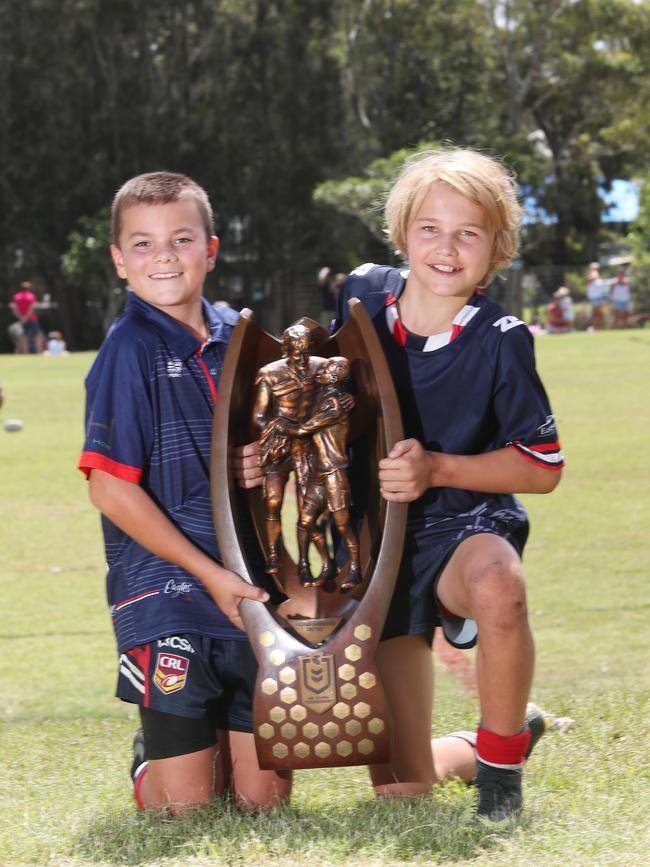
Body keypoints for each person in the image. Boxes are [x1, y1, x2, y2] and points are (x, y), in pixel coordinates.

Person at [331, 147, 564, 821]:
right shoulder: (362, 297)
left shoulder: (501, 339)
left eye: (469, 232)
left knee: (500, 582)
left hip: (463, 523)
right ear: (403, 232)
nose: (446, 246)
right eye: (430, 227)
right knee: (404, 792)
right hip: (377, 546)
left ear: (498, 247)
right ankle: (500, 735)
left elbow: (542, 465)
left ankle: (499, 776)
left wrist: (437, 467)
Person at [77, 171, 291, 814]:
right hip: (165, 590)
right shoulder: (129, 348)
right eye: (141, 244)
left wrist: (266, 465)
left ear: (211, 249)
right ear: (119, 261)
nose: (163, 255)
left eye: (181, 239)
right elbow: (111, 493)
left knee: (263, 804)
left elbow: (275, 454)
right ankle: (153, 760)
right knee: (188, 811)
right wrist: (207, 574)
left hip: (247, 584)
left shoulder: (244, 339)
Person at [292, 356, 361, 591]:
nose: (321, 371)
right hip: (318, 473)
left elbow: (305, 427)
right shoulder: (322, 398)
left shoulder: (335, 403)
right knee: (305, 521)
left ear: (335, 376)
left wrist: (282, 425)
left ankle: (354, 568)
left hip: (334, 472)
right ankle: (324, 564)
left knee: (343, 525)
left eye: (327, 369)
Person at [10, 281, 45, 353]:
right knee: (38, 336)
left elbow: (15, 309)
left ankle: (26, 353)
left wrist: (21, 318)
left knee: (24, 337)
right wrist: (26, 317)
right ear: (29, 288)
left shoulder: (16, 296)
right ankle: (39, 353)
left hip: (22, 320)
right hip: (32, 319)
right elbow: (31, 308)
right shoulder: (31, 296)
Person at [585, 263, 609, 330]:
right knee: (596, 314)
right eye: (594, 268)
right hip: (594, 298)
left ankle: (597, 327)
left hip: (600, 297)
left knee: (599, 314)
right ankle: (595, 327)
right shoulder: (590, 276)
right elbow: (590, 279)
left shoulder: (598, 277)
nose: (596, 270)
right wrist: (594, 274)